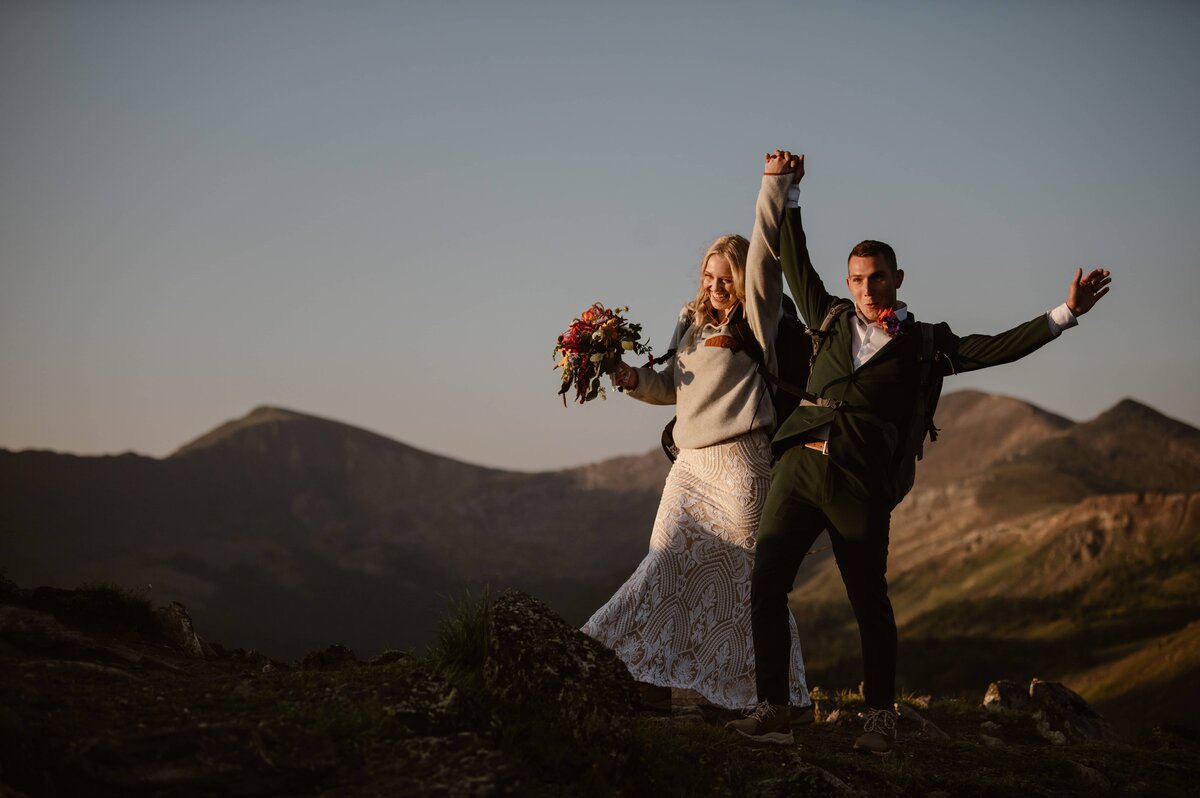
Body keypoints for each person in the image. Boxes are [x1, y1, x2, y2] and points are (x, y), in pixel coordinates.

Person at [725, 150, 1112, 753]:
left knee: (868, 602)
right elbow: (793, 258)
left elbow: (997, 347)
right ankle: (775, 708)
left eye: (876, 277)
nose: (865, 289)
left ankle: (880, 716)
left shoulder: (928, 343)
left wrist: (1065, 314)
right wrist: (789, 190)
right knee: (767, 582)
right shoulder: (827, 316)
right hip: (799, 466)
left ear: (897, 279)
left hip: (860, 483)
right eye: (856, 278)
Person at [581, 155, 811, 717]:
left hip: (741, 468)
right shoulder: (690, 323)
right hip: (689, 471)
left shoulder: (757, 319)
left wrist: (773, 187)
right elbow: (673, 390)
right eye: (708, 277)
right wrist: (631, 377)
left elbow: (763, 254)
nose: (714, 287)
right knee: (663, 564)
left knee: (747, 580)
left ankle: (779, 697)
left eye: (724, 278)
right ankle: (644, 670)